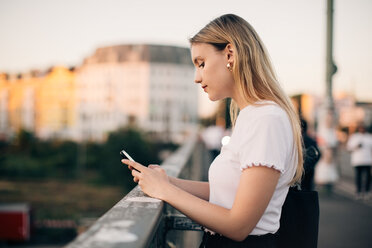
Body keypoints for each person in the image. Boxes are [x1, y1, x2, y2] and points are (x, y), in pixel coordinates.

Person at [122, 14, 303, 247]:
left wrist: (165, 191)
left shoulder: (266, 119)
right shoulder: (253, 116)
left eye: (201, 63)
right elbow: (228, 192)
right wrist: (170, 182)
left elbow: (238, 226)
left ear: (230, 54)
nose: (197, 78)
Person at [346, 125, 372, 200]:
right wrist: (356, 146)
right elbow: (348, 148)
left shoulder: (369, 137)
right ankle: (359, 192)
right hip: (357, 160)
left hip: (368, 160)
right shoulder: (354, 137)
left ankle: (367, 191)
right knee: (358, 177)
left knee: (368, 177)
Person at [300, 118, 321, 191]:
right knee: (308, 190)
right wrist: (311, 166)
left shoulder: (297, 140)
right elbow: (318, 154)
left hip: (299, 173)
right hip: (309, 172)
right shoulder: (311, 140)